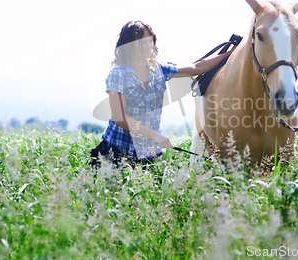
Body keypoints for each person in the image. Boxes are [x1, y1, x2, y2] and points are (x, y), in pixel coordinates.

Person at [90, 20, 235, 168]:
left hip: (147, 155)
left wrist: (230, 54)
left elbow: (196, 68)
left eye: (149, 40)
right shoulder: (118, 74)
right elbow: (120, 118)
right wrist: (154, 135)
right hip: (116, 152)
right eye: (141, 42)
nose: (148, 45)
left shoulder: (158, 69)